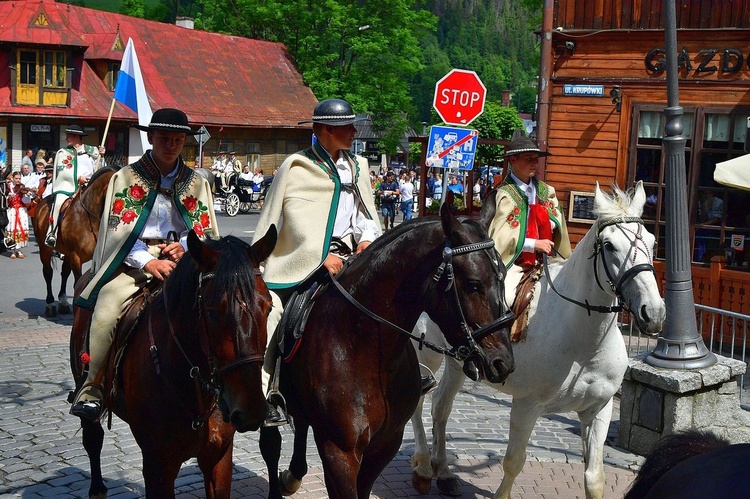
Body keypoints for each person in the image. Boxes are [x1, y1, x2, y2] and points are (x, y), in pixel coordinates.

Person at [70, 108, 219, 421]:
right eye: (164, 138)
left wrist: (186, 246)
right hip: (132, 264)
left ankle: (225, 384)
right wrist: (149, 262)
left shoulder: (195, 182)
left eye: (178, 140)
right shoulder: (127, 178)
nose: (171, 145)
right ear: (150, 138)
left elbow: (202, 231)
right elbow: (117, 231)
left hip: (183, 264)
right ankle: (92, 386)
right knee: (107, 309)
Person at [253, 98, 380, 426]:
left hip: (353, 255)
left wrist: (367, 236)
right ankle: (266, 391)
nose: (354, 132)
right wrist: (318, 256)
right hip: (305, 261)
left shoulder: (358, 166)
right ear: (326, 130)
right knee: (274, 316)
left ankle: (399, 375)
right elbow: (291, 218)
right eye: (347, 127)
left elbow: (365, 211)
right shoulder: (296, 166)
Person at [488, 135, 571, 290]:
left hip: (548, 260)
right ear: (513, 160)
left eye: (536, 159)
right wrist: (534, 244)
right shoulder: (504, 195)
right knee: (505, 295)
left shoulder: (547, 191)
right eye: (528, 159)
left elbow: (558, 219)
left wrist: (545, 223)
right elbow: (500, 238)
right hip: (513, 263)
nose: (534, 163)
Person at [44, 125, 105, 247]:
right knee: (58, 203)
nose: (66, 140)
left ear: (77, 137)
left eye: (68, 137)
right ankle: (52, 232)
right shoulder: (63, 153)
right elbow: (63, 171)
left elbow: (100, 168)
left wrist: (102, 156)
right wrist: (78, 178)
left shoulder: (92, 151)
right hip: (69, 186)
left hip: (90, 186)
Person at [6, 171, 29, 259]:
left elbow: (26, 201)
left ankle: (18, 250)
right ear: (13, 178)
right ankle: (13, 250)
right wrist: (9, 196)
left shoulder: (22, 188)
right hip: (12, 210)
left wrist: (27, 195)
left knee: (20, 228)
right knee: (12, 228)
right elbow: (5, 199)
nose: (18, 180)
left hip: (21, 210)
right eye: (16, 178)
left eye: (19, 178)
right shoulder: (9, 187)